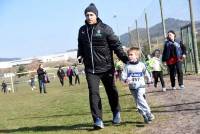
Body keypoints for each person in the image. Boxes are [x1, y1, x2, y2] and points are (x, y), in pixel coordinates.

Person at [77, 3, 128, 129]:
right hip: (90, 69)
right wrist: (80, 55)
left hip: (106, 67)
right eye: (87, 15)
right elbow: (80, 46)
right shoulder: (82, 30)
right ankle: (98, 120)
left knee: (111, 91)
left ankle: (116, 113)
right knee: (93, 93)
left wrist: (126, 60)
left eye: (91, 14)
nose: (89, 17)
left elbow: (116, 45)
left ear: (96, 15)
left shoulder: (105, 29)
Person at [121, 47, 155, 124]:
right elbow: (123, 75)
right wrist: (126, 79)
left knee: (140, 98)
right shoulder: (127, 66)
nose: (129, 56)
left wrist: (149, 80)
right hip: (132, 88)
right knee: (138, 104)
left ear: (137, 56)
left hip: (141, 86)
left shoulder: (141, 65)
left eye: (131, 55)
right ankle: (145, 116)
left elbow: (146, 73)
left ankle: (149, 113)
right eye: (128, 55)